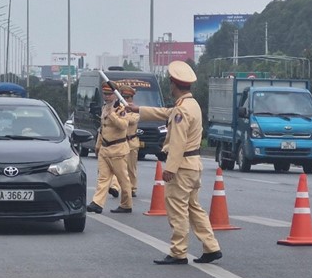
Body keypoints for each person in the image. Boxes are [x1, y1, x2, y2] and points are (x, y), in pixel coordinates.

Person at [127, 60, 222, 265]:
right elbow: (165, 113)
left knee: (177, 210)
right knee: (194, 208)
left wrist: (170, 169)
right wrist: (138, 109)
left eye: (170, 84)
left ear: (174, 84)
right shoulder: (191, 105)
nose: (170, 87)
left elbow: (177, 142)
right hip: (193, 165)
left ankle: (178, 252)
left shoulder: (181, 110)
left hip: (182, 167)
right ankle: (211, 246)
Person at [86, 83, 133, 214]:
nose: (106, 96)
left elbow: (124, 125)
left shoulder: (120, 109)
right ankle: (97, 203)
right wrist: (98, 145)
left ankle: (126, 204)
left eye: (109, 94)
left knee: (123, 179)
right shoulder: (104, 108)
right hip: (105, 149)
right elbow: (103, 129)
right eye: (105, 94)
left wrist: (112, 114)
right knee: (103, 178)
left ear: (115, 94)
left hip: (118, 149)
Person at [109, 84, 140, 199]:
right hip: (120, 143)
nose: (126, 100)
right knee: (117, 167)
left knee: (130, 168)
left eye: (128, 98)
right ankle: (115, 187)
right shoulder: (118, 110)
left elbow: (131, 121)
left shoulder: (134, 111)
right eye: (124, 97)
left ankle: (132, 188)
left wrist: (124, 112)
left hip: (131, 142)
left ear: (132, 98)